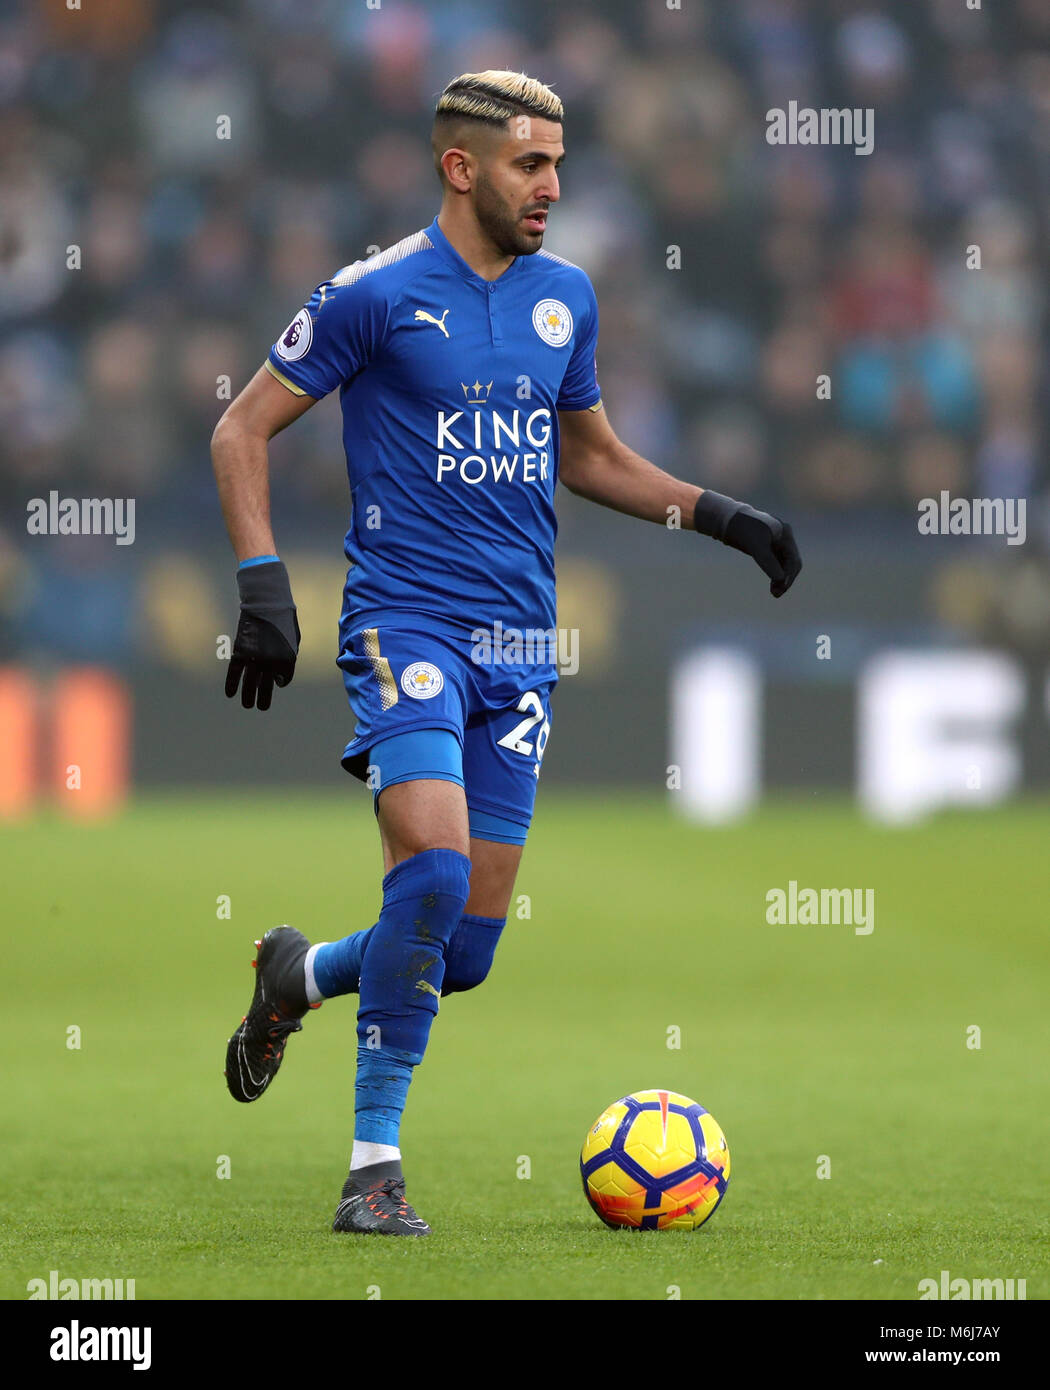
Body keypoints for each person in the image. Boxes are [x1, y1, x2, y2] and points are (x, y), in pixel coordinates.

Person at [212, 70, 801, 1237]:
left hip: (520, 645)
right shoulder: (372, 294)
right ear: (460, 166)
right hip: (405, 624)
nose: (553, 186)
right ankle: (372, 1170)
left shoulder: (564, 297)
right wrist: (263, 586)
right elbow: (241, 427)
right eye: (531, 164)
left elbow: (588, 455)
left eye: (560, 164)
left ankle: (303, 973)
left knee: (463, 952)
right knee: (427, 878)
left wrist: (721, 514)